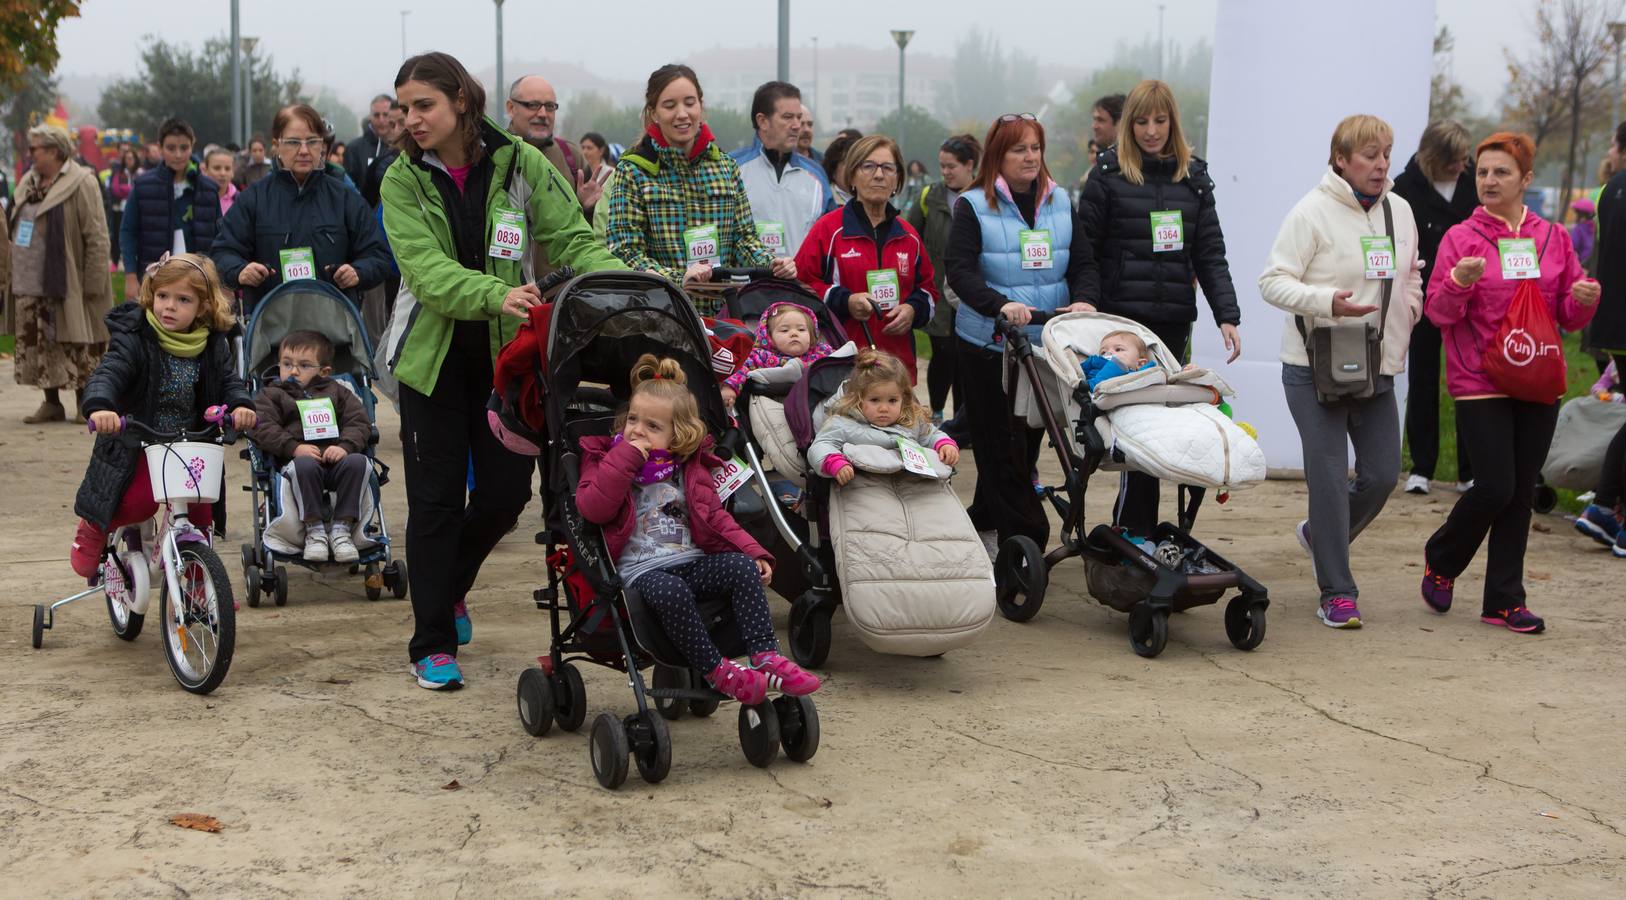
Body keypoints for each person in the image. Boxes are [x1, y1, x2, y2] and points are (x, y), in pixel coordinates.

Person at [381, 51, 626, 690]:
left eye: (423, 106)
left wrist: (617, 279)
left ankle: (449, 586)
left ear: (462, 100)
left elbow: (572, 236)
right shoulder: (401, 179)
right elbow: (427, 273)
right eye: (404, 108)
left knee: (504, 495)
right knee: (433, 505)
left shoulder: (520, 162)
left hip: (506, 365)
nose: (411, 120)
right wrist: (495, 294)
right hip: (430, 367)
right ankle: (431, 642)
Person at [1419, 132, 1599, 634]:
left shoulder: (1553, 237)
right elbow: (1437, 313)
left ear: (1526, 180)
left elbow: (1565, 312)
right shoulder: (1461, 238)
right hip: (1479, 377)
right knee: (1495, 485)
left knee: (1520, 492)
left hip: (1538, 375)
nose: (1489, 181)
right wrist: (1458, 283)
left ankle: (1503, 599)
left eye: (1501, 172)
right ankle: (1442, 557)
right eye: (1481, 172)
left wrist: (1583, 299)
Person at [575, 354, 820, 704]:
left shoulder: (687, 469)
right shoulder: (603, 459)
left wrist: (752, 551)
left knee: (741, 569)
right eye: (632, 419)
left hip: (690, 561)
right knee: (670, 591)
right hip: (641, 572)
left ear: (678, 437)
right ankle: (716, 670)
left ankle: (766, 658)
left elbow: (717, 518)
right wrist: (627, 458)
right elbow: (594, 508)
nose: (637, 430)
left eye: (653, 426)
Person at [1258, 114, 1423, 630]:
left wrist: (1411, 307)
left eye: (1386, 154)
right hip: (1313, 368)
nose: (1380, 165)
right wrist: (1326, 301)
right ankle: (1337, 591)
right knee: (1328, 479)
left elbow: (1410, 272)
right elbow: (1272, 281)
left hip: (1376, 365)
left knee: (1382, 475)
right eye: (1369, 155)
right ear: (1341, 159)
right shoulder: (1311, 212)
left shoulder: (1400, 210)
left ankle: (1319, 535)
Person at [1079, 80, 1243, 539]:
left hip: (1171, 321)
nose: (1151, 131)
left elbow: (1210, 253)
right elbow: (1086, 249)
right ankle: (1133, 529)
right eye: (1142, 122)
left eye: (1160, 120)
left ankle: (1143, 531)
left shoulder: (1194, 179)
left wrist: (1226, 314)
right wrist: (1088, 302)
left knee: (1162, 427)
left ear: (1173, 122)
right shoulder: (1108, 175)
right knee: (1134, 428)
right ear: (1129, 125)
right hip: (1121, 324)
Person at [944, 112, 1100, 555]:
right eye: (1019, 149)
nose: (1030, 157)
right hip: (989, 344)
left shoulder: (1060, 201)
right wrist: (998, 305)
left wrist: (1085, 298)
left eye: (1035, 148)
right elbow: (959, 270)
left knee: (1027, 441)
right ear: (998, 155)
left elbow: (1084, 262)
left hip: (1042, 343)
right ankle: (1027, 537)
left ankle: (984, 521)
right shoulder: (973, 206)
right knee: (997, 445)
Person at [68, 254, 257, 578]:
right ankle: (95, 524)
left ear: (203, 307)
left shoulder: (212, 342)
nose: (169, 306)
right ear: (150, 297)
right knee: (138, 502)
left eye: (183, 299)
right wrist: (101, 406)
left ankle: (201, 587)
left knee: (200, 508)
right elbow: (109, 372)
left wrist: (241, 406)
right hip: (139, 438)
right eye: (163, 296)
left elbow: (228, 380)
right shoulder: (136, 337)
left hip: (190, 439)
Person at [605, 64, 790, 286]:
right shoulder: (633, 172)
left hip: (722, 309)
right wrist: (678, 279)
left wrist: (771, 263)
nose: (682, 114)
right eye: (669, 105)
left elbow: (743, 240)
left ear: (701, 106)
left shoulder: (725, 167)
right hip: (663, 309)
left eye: (690, 103)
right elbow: (625, 252)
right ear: (654, 113)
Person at [211, 104, 393, 313]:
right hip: (269, 328)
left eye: (312, 141)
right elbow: (222, 252)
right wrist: (240, 271)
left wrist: (358, 272)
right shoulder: (254, 198)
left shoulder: (345, 199)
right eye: (294, 142)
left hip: (335, 326)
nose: (304, 150)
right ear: (276, 145)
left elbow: (379, 256)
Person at [794, 134, 935, 376]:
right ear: (852, 177)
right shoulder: (828, 230)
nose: (878, 175)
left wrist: (913, 310)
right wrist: (844, 301)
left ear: (897, 179)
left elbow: (929, 292)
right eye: (868, 166)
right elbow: (799, 286)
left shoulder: (909, 236)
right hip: (840, 367)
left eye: (888, 168)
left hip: (896, 371)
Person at [2, 124, 112, 424]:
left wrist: (94, 281)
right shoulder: (28, 181)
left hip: (67, 281)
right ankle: (51, 402)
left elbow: (97, 235)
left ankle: (82, 402)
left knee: (76, 341)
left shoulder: (81, 182)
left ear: (53, 150)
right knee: (38, 343)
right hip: (28, 279)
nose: (30, 154)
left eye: (35, 148)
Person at [1391, 120, 1478, 495]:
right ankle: (1421, 466)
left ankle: (1469, 469)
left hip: (1469, 296)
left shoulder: (1475, 182)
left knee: (1471, 381)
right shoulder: (1405, 186)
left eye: (1464, 159)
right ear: (1432, 158)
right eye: (1453, 161)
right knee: (1423, 378)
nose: (1462, 166)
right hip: (1425, 295)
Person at [249, 329, 372, 563]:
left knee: (358, 462)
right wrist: (293, 447)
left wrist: (345, 446)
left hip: (336, 460)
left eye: (304, 366)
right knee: (304, 465)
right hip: (296, 464)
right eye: (286, 364)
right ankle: (314, 530)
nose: (293, 371)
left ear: (324, 372)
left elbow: (359, 422)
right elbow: (262, 426)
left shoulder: (338, 392)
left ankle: (342, 529)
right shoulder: (273, 395)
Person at [905, 133, 980, 427]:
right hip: (937, 291)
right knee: (943, 353)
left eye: (952, 166)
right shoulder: (929, 197)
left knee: (967, 357)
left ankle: (965, 419)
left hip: (970, 294)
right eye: (942, 166)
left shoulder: (984, 196)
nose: (946, 172)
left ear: (969, 165)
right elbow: (909, 238)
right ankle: (937, 412)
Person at [807, 347, 959, 486]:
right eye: (874, 400)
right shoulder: (843, 423)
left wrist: (944, 444)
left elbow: (931, 434)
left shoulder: (911, 420)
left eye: (892, 400)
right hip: (864, 485)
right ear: (858, 399)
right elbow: (821, 445)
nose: (884, 408)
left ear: (903, 398)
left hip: (911, 483)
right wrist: (834, 462)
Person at [1578, 121, 1626, 557]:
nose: (1610, 151)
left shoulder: (1611, 190)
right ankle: (1611, 511)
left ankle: (1603, 508)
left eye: (1612, 143)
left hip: (1612, 321)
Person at [729, 80, 833, 261]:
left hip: (800, 287)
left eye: (798, 117)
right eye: (787, 117)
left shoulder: (816, 175)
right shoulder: (731, 168)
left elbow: (830, 240)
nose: (796, 125)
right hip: (745, 286)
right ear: (762, 121)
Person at [120, 118, 220, 301]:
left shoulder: (209, 189)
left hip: (198, 278)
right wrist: (130, 276)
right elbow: (128, 232)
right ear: (160, 147)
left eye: (184, 147)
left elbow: (219, 237)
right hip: (154, 278)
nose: (178, 154)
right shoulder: (143, 186)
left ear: (192, 145)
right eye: (171, 148)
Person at [720, 300, 834, 408]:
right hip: (772, 405)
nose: (794, 333)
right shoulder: (760, 355)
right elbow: (740, 368)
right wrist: (730, 388)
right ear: (770, 337)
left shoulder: (822, 352)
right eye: (785, 330)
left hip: (816, 403)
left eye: (801, 329)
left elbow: (841, 362)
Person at [344, 94, 395, 190]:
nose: (381, 120)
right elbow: (349, 189)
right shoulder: (354, 148)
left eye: (386, 114)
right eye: (376, 115)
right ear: (370, 117)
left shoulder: (403, 148)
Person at [1083, 330, 1158, 389]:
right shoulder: (1095, 370)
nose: (1109, 353)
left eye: (1118, 349)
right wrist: (1091, 362)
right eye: (1103, 352)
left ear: (1140, 364)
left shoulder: (1145, 375)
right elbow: (1081, 380)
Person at [107, 147, 139, 260]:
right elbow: (115, 189)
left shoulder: (139, 173)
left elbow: (140, 190)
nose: (128, 161)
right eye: (127, 158)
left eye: (131, 158)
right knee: (117, 234)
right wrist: (131, 189)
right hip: (119, 209)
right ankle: (115, 259)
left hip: (136, 209)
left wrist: (125, 189)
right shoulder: (119, 173)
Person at [822, 129, 862, 206]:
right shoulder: (825, 201)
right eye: (849, 164)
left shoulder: (870, 199)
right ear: (833, 171)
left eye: (859, 164)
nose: (854, 169)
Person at [1090, 93, 1126, 168]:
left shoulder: (1133, 167)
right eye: (1095, 120)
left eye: (1100, 120)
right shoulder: (1101, 168)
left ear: (1120, 123)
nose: (1094, 126)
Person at [203, 147, 239, 217]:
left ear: (233, 172)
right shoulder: (195, 197)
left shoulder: (241, 201)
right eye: (217, 168)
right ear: (206, 170)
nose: (223, 173)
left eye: (227, 169)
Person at [1570, 197, 1596, 265]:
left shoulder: (1579, 229)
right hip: (1593, 262)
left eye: (1576, 213)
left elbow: (1572, 246)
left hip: (1583, 263)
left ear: (1581, 215)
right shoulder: (1594, 226)